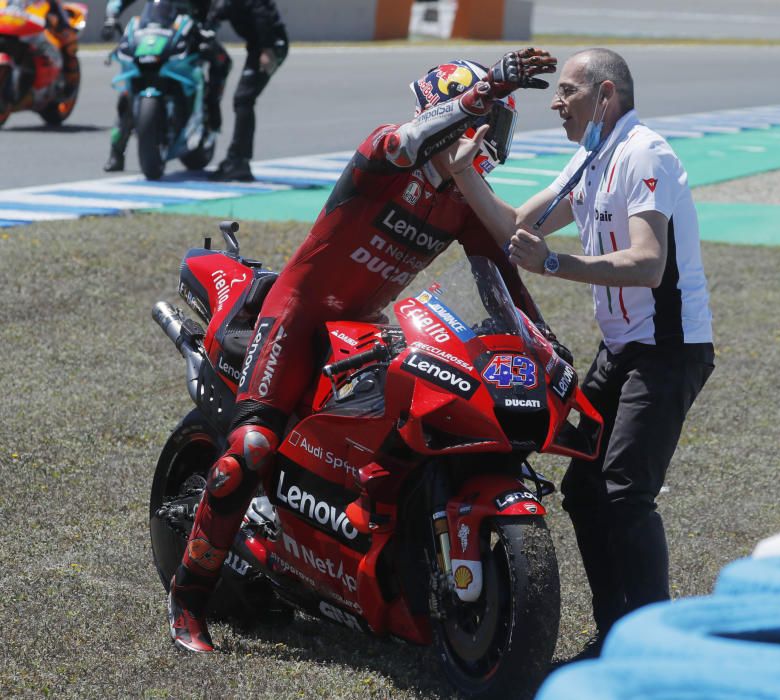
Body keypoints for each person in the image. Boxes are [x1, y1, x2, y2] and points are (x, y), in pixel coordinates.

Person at [165, 48, 558, 653]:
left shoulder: (462, 200)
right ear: (449, 116)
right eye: (483, 121)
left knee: (406, 418)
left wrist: (541, 343)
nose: (489, 136)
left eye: (496, 123)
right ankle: (189, 598)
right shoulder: (383, 155)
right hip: (295, 317)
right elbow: (408, 140)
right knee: (247, 450)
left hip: (362, 327)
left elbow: (501, 282)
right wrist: (486, 89)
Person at [445, 48, 715, 658]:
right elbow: (519, 226)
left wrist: (556, 265)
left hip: (668, 350)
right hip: (622, 350)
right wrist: (465, 175)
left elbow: (648, 265)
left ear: (607, 96)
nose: (556, 102)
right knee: (585, 490)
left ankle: (653, 645)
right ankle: (614, 632)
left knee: (623, 489)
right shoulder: (592, 156)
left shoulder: (644, 152)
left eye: (568, 90)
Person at [101, 0, 231, 172]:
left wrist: (211, 25)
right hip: (155, 36)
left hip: (193, 34)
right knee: (131, 83)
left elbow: (219, 6)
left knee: (222, 61)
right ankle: (117, 150)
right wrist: (112, 16)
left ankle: (212, 111)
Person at [205, 0, 288, 182]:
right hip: (258, 46)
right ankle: (237, 160)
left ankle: (239, 162)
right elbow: (217, 12)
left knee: (243, 99)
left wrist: (267, 49)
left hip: (271, 46)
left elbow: (262, 13)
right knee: (243, 99)